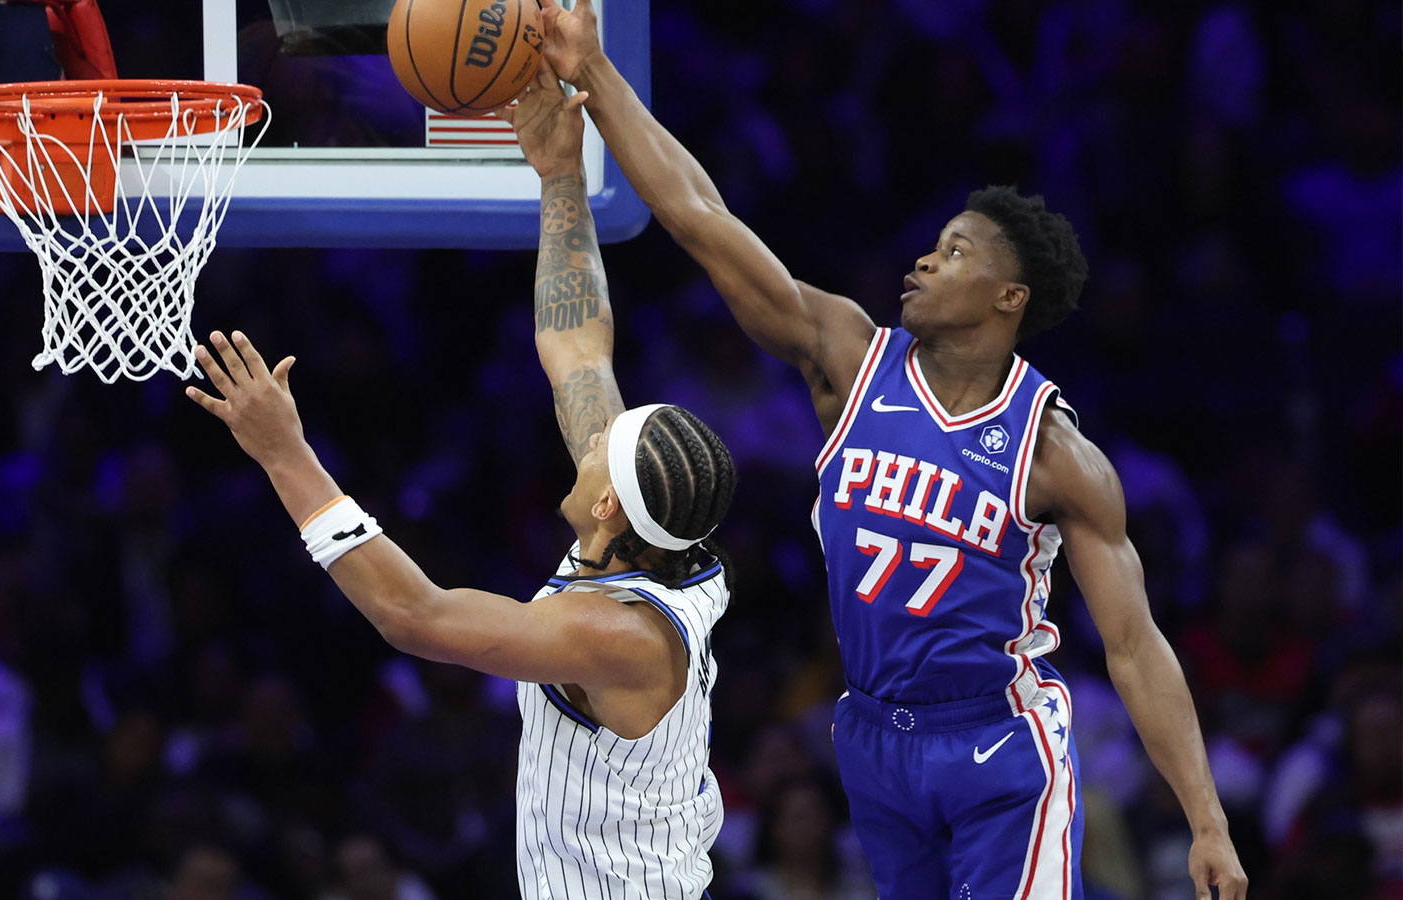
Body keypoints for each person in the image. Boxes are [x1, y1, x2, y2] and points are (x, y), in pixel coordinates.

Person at [530, 2, 1251, 898]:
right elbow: (700, 218)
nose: (922, 261)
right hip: (872, 737)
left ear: (1008, 297)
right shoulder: (847, 358)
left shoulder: (1056, 454)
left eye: (952, 254)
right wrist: (594, 75)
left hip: (1000, 748)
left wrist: (1207, 821)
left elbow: (1136, 648)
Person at [185, 65, 735, 899]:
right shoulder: (648, 529)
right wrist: (557, 176)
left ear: (609, 504)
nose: (589, 435)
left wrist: (283, 454)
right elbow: (578, 350)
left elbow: (414, 616)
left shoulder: (621, 637)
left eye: (602, 448)